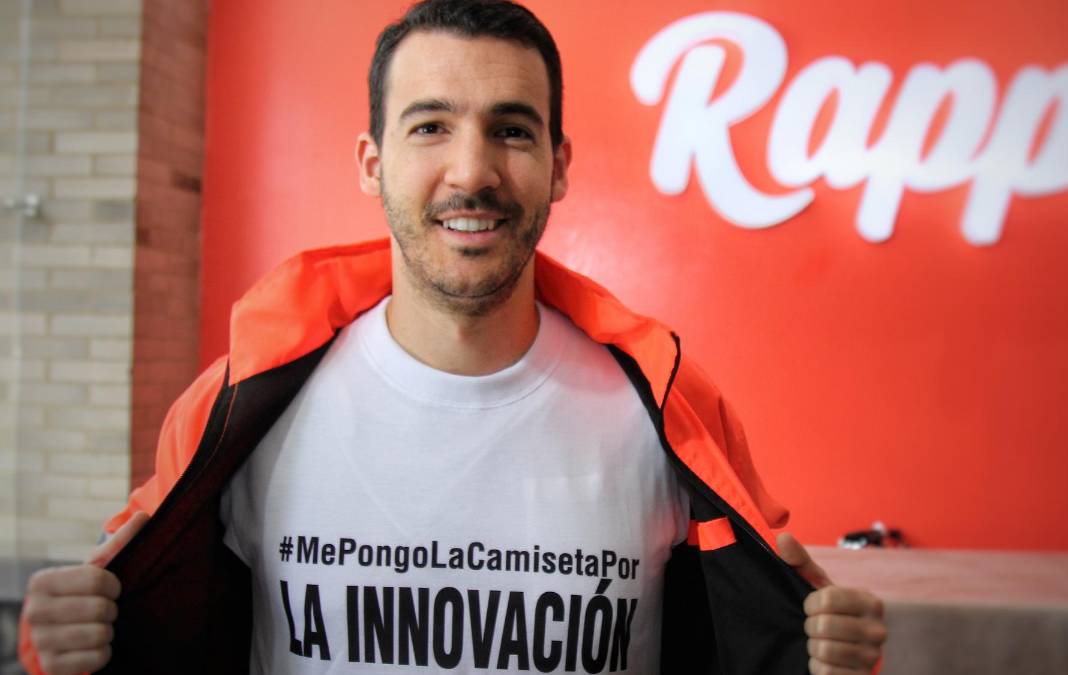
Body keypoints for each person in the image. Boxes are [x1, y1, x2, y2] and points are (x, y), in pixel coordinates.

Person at [19, 1, 887, 673]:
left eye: (511, 129)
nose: (472, 171)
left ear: (559, 165)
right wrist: (64, 644)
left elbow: (766, 632)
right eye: (430, 126)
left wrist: (823, 655)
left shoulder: (668, 408)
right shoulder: (242, 406)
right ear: (373, 164)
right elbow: (129, 611)